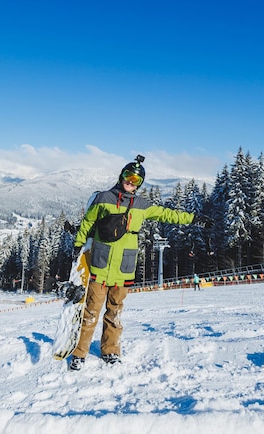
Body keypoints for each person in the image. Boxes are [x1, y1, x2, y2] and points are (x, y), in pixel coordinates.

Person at [69, 155, 195, 371]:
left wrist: (193, 219)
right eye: (128, 176)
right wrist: (78, 245)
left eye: (136, 180)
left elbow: (167, 214)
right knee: (91, 311)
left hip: (124, 267)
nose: (131, 182)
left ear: (140, 184)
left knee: (115, 312)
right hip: (100, 263)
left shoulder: (142, 205)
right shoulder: (104, 199)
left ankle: (110, 350)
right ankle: (80, 352)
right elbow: (88, 222)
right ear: (121, 176)